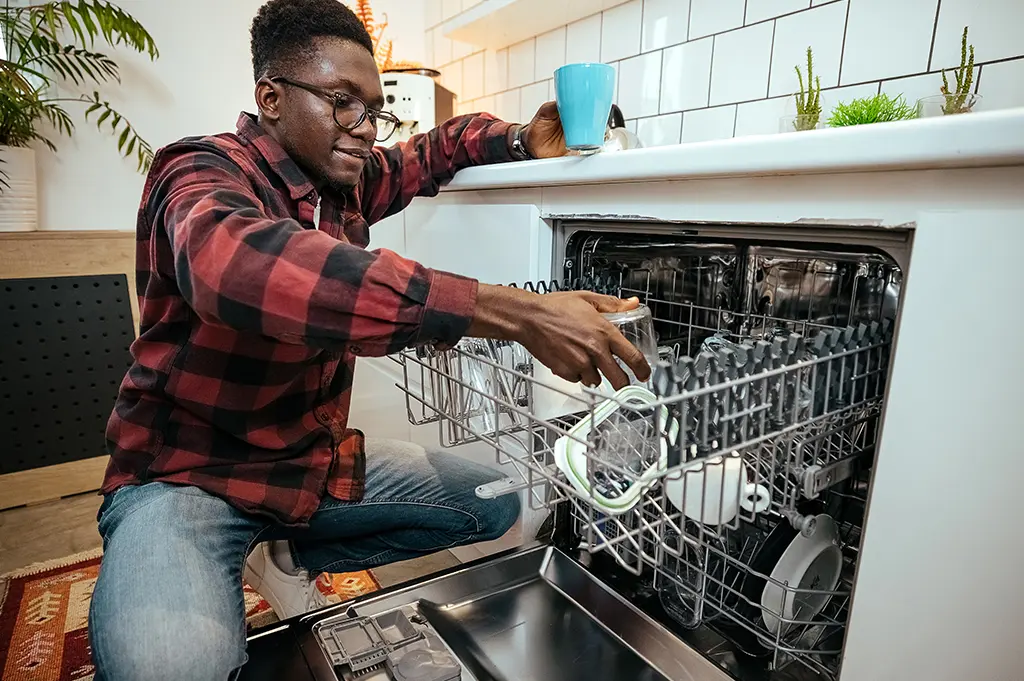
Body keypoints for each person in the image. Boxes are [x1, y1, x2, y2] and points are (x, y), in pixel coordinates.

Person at [87, 0, 649, 678]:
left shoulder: (345, 184)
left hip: (302, 466)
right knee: (172, 668)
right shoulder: (200, 171)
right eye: (342, 103)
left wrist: (521, 140)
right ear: (271, 97)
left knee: (498, 501)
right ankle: (203, 554)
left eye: (373, 109)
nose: (364, 129)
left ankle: (288, 547)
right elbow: (237, 269)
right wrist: (517, 313)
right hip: (187, 475)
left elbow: (434, 150)